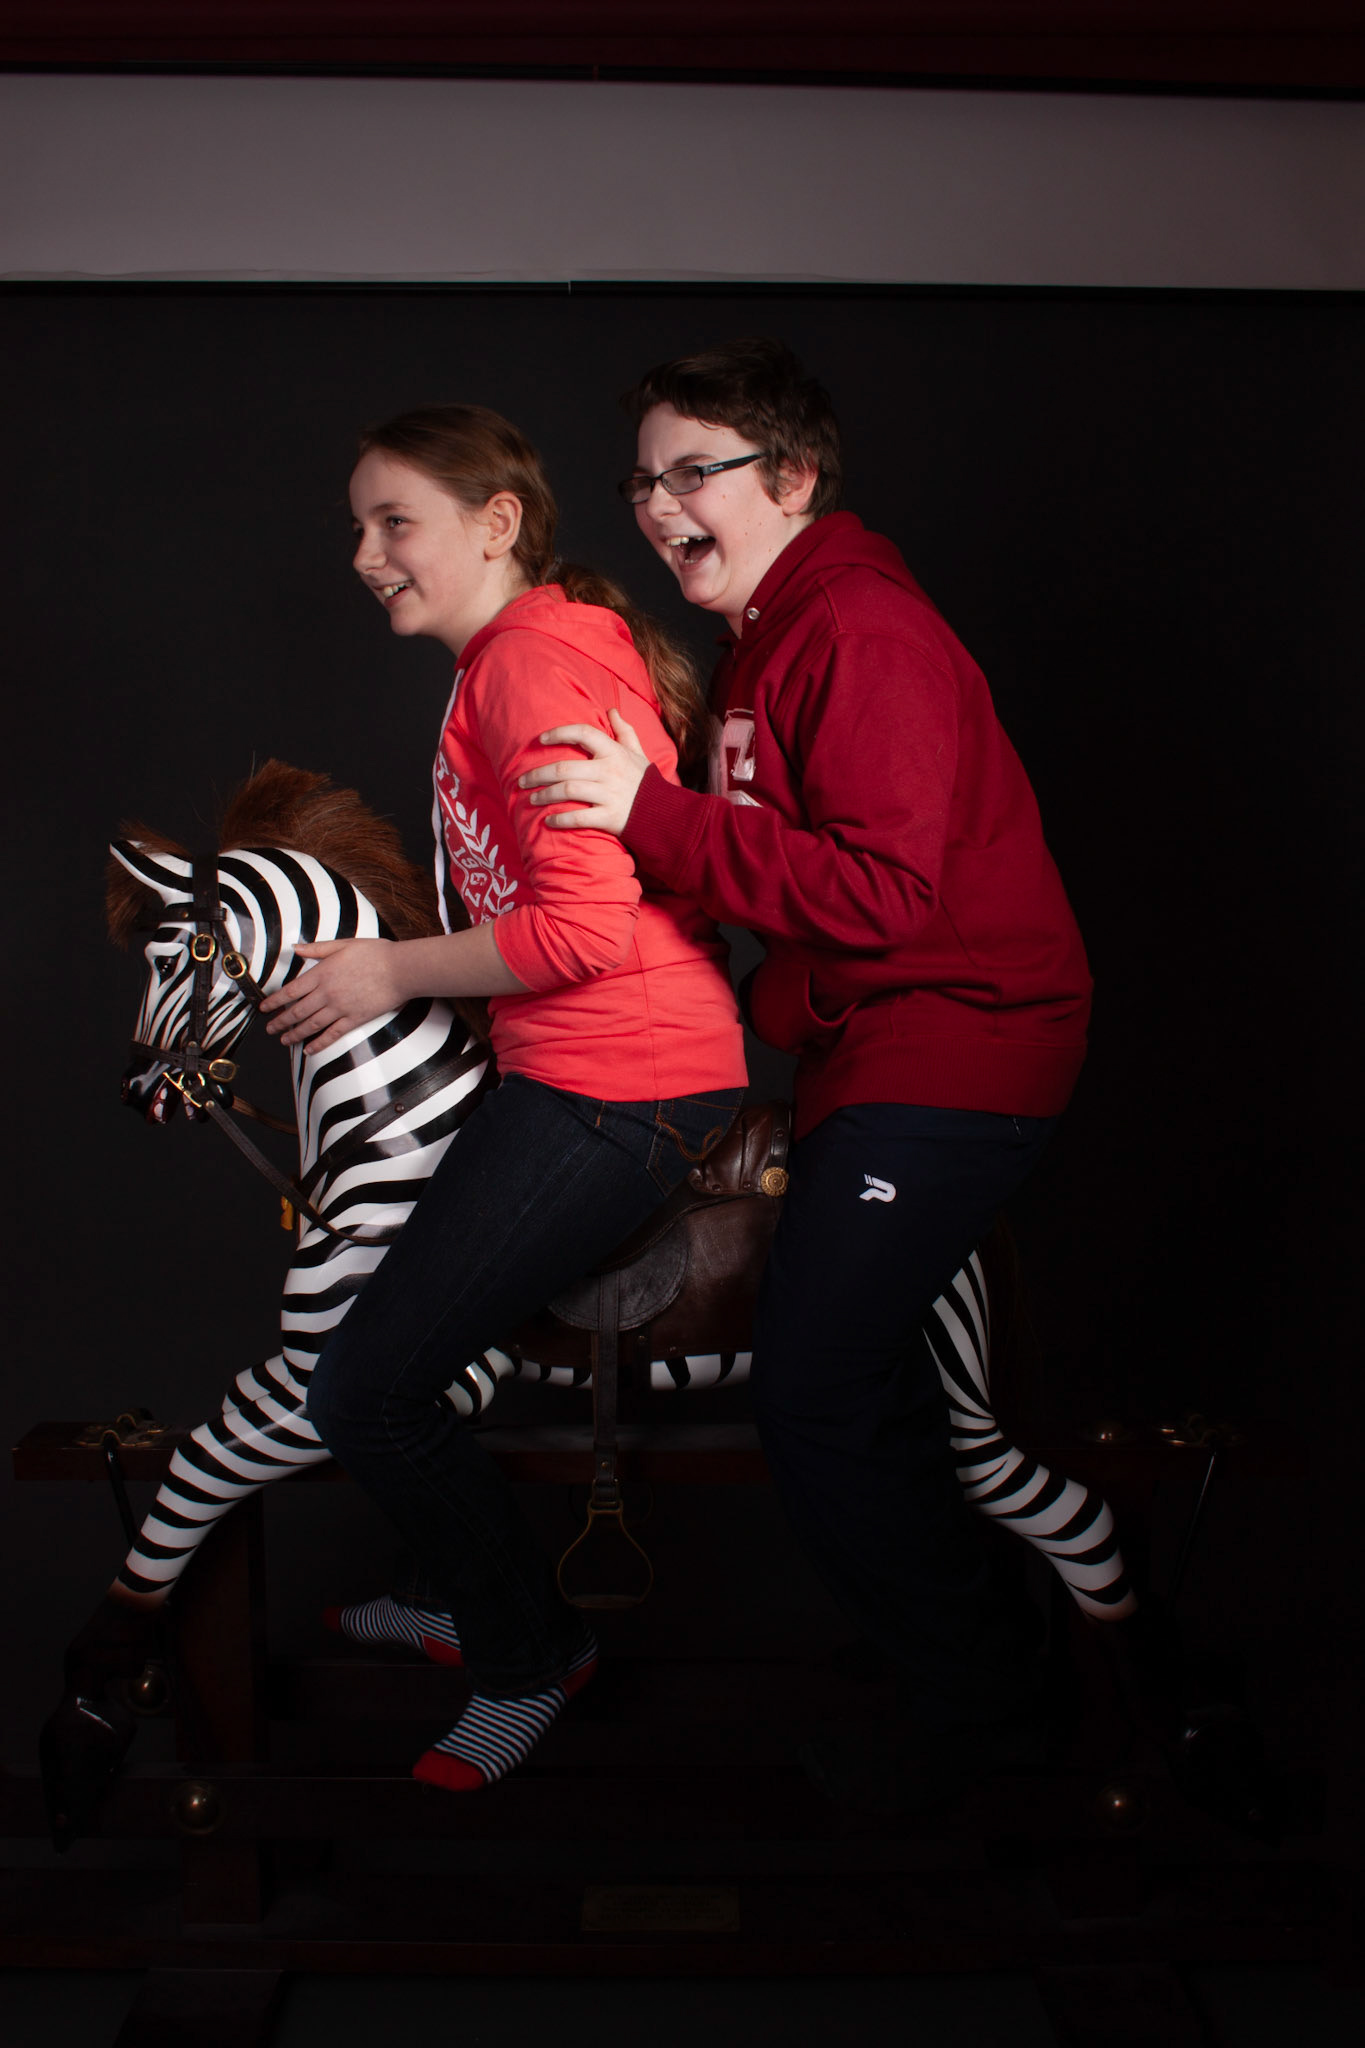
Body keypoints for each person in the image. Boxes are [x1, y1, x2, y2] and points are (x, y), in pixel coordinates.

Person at [518, 339, 1093, 1810]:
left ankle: (993, 1727)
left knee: (818, 1390)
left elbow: (884, 896)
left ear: (792, 477)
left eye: (692, 473)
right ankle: (955, 1662)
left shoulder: (862, 630)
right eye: (641, 481)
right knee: (861, 1387)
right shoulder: (765, 640)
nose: (659, 506)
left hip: (957, 1050)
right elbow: (790, 877)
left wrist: (650, 818)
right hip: (877, 1045)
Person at [257, 402, 746, 1790]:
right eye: (358, 526)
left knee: (366, 1389)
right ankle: (459, 1594)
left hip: (622, 1084)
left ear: (496, 523)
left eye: (394, 522)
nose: (365, 554)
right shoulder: (516, 657)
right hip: (583, 1066)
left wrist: (383, 974)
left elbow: (582, 935)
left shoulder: (530, 663)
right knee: (403, 1323)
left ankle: (528, 1658)